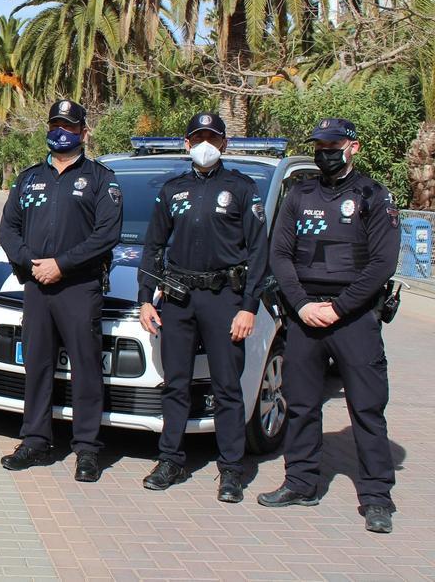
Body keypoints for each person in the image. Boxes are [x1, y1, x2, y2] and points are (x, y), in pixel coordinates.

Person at [257, 118, 401, 534]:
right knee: (300, 403)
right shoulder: (299, 195)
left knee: (367, 409)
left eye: (333, 143)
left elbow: (382, 264)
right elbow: (279, 254)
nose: (325, 151)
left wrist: (338, 309)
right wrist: (302, 306)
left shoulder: (373, 195)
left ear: (352, 147)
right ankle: (301, 482)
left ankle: (376, 497)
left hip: (353, 318)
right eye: (320, 144)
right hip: (305, 318)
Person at [136, 113, 268, 503]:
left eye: (213, 137)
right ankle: (170, 460)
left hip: (225, 299)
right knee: (176, 383)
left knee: (227, 386)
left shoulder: (242, 189)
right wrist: (146, 296)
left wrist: (248, 307)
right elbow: (154, 246)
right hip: (178, 298)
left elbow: (259, 252)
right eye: (199, 137)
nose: (205, 143)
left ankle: (231, 470)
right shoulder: (172, 189)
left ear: (224, 144)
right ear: (187, 143)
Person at [0, 99, 123, 481]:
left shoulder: (102, 179)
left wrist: (62, 264)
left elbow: (107, 234)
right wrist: (32, 264)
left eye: (69, 126)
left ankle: (86, 449)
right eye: (55, 124)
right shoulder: (29, 177)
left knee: (86, 367)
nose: (60, 132)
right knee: (36, 364)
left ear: (84, 133)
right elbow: (8, 229)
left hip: (79, 287)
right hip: (37, 286)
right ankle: (34, 440)